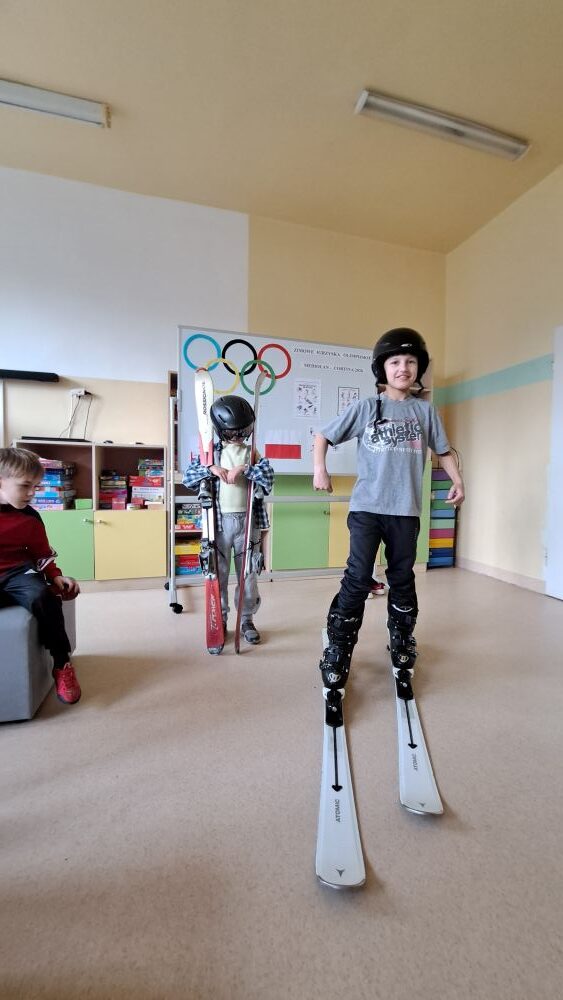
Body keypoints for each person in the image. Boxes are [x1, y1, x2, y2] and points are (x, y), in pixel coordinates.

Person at [313, 327, 464, 696]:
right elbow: (324, 435)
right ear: (382, 368)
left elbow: (443, 451)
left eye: (410, 362)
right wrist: (320, 468)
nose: (403, 368)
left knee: (401, 577)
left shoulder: (425, 411)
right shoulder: (367, 407)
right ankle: (339, 647)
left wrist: (458, 480)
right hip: (367, 507)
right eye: (395, 361)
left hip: (405, 510)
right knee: (358, 577)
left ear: (418, 369)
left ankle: (402, 637)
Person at [183, 395, 274, 644]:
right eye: (233, 433)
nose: (238, 437)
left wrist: (244, 468)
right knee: (218, 574)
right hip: (219, 525)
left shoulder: (251, 452)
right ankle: (220, 619)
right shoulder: (210, 453)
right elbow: (189, 478)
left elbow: (268, 476)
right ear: (221, 431)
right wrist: (211, 468)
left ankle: (246, 619)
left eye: (243, 432)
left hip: (248, 523)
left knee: (248, 574)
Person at [0, 447, 81, 704]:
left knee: (42, 597)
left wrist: (55, 576)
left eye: (35, 486)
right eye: (25, 486)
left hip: (17, 571)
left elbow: (41, 552)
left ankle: (62, 664)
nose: (32, 493)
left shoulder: (30, 517)